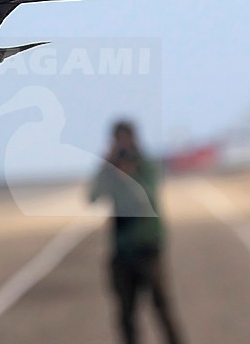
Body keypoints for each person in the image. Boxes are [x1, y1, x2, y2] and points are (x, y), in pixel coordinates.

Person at [90, 121, 183, 344]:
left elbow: (145, 200)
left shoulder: (145, 165)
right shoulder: (111, 169)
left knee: (161, 308)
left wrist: (127, 175)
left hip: (147, 246)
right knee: (125, 314)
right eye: (117, 140)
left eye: (124, 140)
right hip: (122, 249)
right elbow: (92, 197)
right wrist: (106, 166)